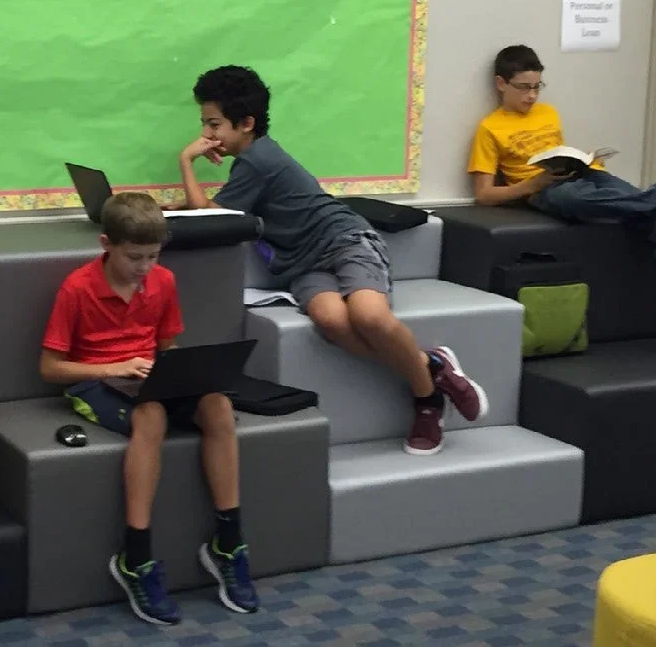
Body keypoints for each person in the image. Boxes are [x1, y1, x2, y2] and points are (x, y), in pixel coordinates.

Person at [175, 65, 488, 456]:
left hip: (345, 240)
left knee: (368, 316)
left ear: (246, 124)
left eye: (214, 125)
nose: (207, 136)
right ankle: (432, 365)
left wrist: (186, 161)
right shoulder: (251, 162)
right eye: (205, 125)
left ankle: (427, 400)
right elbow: (215, 209)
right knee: (332, 321)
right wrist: (183, 204)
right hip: (303, 263)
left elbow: (212, 216)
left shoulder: (258, 159)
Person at [39, 192, 258, 625]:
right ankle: (136, 557)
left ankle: (228, 543)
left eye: (153, 256)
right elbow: (49, 368)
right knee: (151, 414)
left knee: (217, 405)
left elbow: (167, 346)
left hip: (147, 377)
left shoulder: (163, 281)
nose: (144, 267)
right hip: (94, 381)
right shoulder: (77, 288)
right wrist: (115, 367)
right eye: (134, 257)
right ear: (106, 244)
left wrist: (178, 373)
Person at [469, 44, 656, 308]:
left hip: (585, 175)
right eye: (524, 87)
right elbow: (483, 194)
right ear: (501, 84)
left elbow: (558, 153)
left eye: (537, 87)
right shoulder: (489, 128)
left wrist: (584, 161)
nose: (532, 96)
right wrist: (531, 184)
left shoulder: (548, 113)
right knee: (570, 196)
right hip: (545, 189)